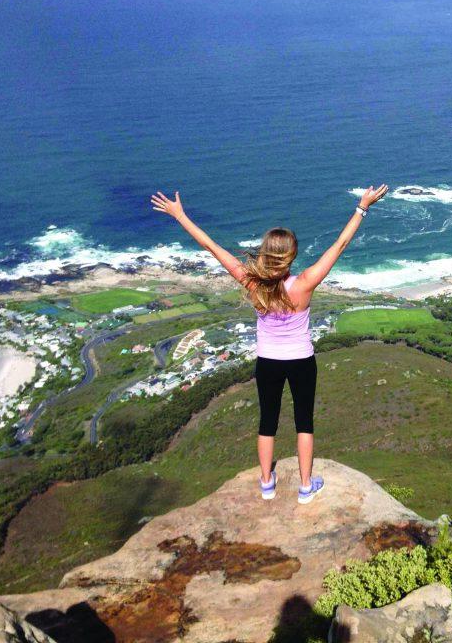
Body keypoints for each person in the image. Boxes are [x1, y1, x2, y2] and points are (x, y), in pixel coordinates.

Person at [150, 185, 388, 504]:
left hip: (268, 362)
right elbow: (341, 244)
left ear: (264, 253)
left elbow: (210, 246)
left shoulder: (251, 282)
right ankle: (305, 486)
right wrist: (362, 207)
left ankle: (266, 483)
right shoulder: (304, 283)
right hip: (302, 360)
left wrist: (180, 215)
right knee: (304, 421)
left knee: (267, 421)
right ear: (291, 256)